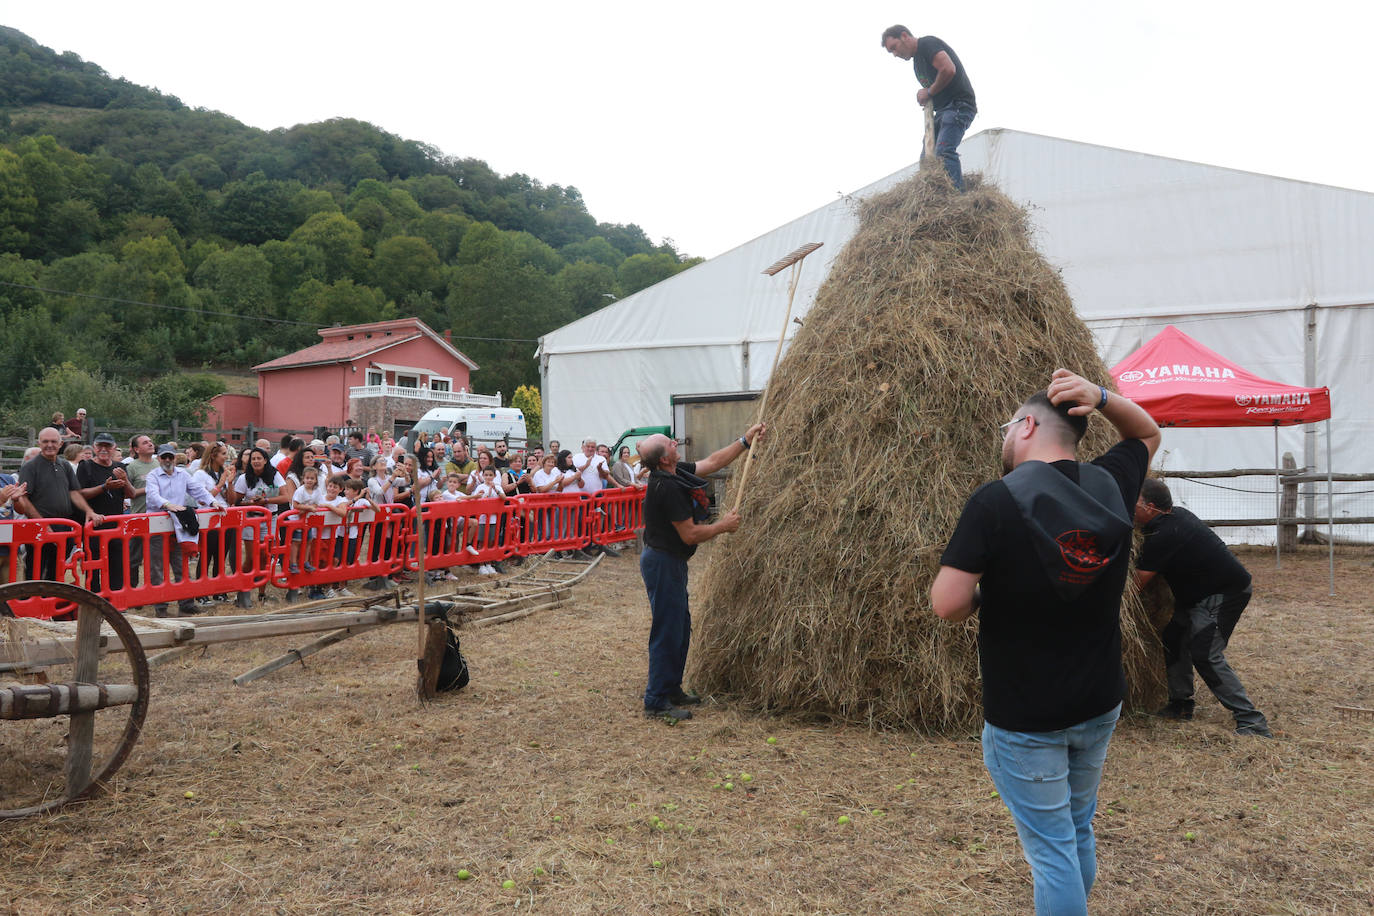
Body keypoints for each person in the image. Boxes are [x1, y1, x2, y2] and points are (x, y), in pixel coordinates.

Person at [930, 370, 1160, 916]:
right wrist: (1101, 397)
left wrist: (991, 590)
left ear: (1027, 424)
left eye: (1008, 425)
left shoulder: (995, 501)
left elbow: (947, 603)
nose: (1004, 436)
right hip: (1099, 698)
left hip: (1027, 711)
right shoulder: (1111, 483)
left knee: (1051, 850)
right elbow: (1148, 433)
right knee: (1076, 826)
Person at [636, 423, 765, 722]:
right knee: (667, 630)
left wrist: (745, 440)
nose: (673, 441)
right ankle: (656, 700)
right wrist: (724, 526)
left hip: (671, 561)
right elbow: (690, 535)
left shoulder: (675, 471)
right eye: (669, 443)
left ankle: (672, 689)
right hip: (662, 562)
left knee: (680, 627)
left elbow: (714, 462)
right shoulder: (665, 487)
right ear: (665, 458)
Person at [1132, 479, 1272, 737]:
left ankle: (1252, 721)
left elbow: (1136, 584)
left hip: (1223, 593)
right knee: (1174, 639)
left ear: (1150, 507)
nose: (1129, 508)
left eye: (1134, 502)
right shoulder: (1170, 519)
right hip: (1196, 596)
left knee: (1205, 653)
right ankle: (1181, 704)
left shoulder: (1165, 533)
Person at [880, 25, 977, 190]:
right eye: (891, 52)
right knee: (927, 160)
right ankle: (933, 200)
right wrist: (925, 95)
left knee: (944, 151)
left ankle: (956, 198)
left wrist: (929, 91)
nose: (895, 54)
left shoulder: (927, 44)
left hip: (958, 105)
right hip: (942, 111)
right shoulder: (917, 64)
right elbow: (931, 90)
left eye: (894, 48)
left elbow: (948, 69)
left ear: (904, 36)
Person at [15, 428, 105, 581]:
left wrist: (89, 511)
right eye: (45, 441)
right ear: (39, 443)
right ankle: (33, 603)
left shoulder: (65, 465)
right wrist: (42, 523)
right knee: (36, 569)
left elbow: (74, 492)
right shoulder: (30, 467)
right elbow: (24, 498)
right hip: (38, 527)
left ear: (61, 443)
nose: (49, 445)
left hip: (63, 525)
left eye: (53, 441)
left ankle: (52, 602)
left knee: (57, 569)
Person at [145, 443, 214, 617]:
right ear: (158, 458)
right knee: (157, 566)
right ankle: (161, 607)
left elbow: (197, 490)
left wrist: (213, 502)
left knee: (181, 564)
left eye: (170, 457)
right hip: (158, 524)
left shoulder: (183, 474)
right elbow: (153, 495)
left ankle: (186, 603)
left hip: (178, 524)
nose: (167, 460)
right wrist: (167, 504)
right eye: (164, 457)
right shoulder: (153, 476)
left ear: (175, 458)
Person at [76, 432, 132, 595]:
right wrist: (104, 487)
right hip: (93, 525)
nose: (103, 449)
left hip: (115, 525)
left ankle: (116, 603)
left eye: (107, 446)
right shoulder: (85, 466)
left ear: (114, 447)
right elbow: (79, 493)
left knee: (117, 566)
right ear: (94, 447)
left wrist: (125, 480)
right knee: (93, 568)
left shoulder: (120, 467)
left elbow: (131, 494)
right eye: (100, 445)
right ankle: (94, 603)